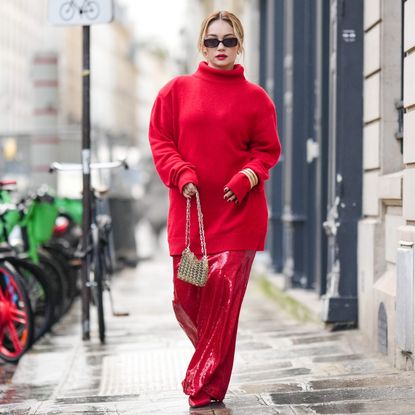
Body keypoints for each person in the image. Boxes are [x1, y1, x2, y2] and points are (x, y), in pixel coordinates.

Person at [148, 10, 281, 408]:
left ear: (240, 45)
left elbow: (267, 150)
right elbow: (160, 141)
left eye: (228, 40)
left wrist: (246, 178)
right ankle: (208, 371)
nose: (220, 48)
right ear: (200, 46)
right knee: (189, 301)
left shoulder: (257, 99)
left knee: (223, 306)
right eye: (212, 41)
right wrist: (181, 172)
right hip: (190, 216)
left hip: (238, 216)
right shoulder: (175, 92)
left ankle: (204, 387)